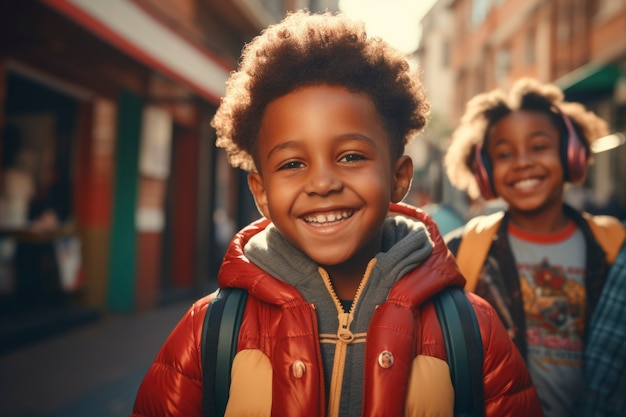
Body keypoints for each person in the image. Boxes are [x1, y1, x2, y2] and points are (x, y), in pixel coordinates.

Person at [131, 10, 542, 417]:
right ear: (261, 192)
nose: (323, 183)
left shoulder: (470, 328)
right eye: (292, 164)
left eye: (350, 156)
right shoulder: (213, 329)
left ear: (399, 176)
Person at [443, 77, 626, 417]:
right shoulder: (463, 249)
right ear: (485, 172)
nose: (522, 162)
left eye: (539, 147)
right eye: (504, 154)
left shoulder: (614, 245)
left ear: (571, 154)